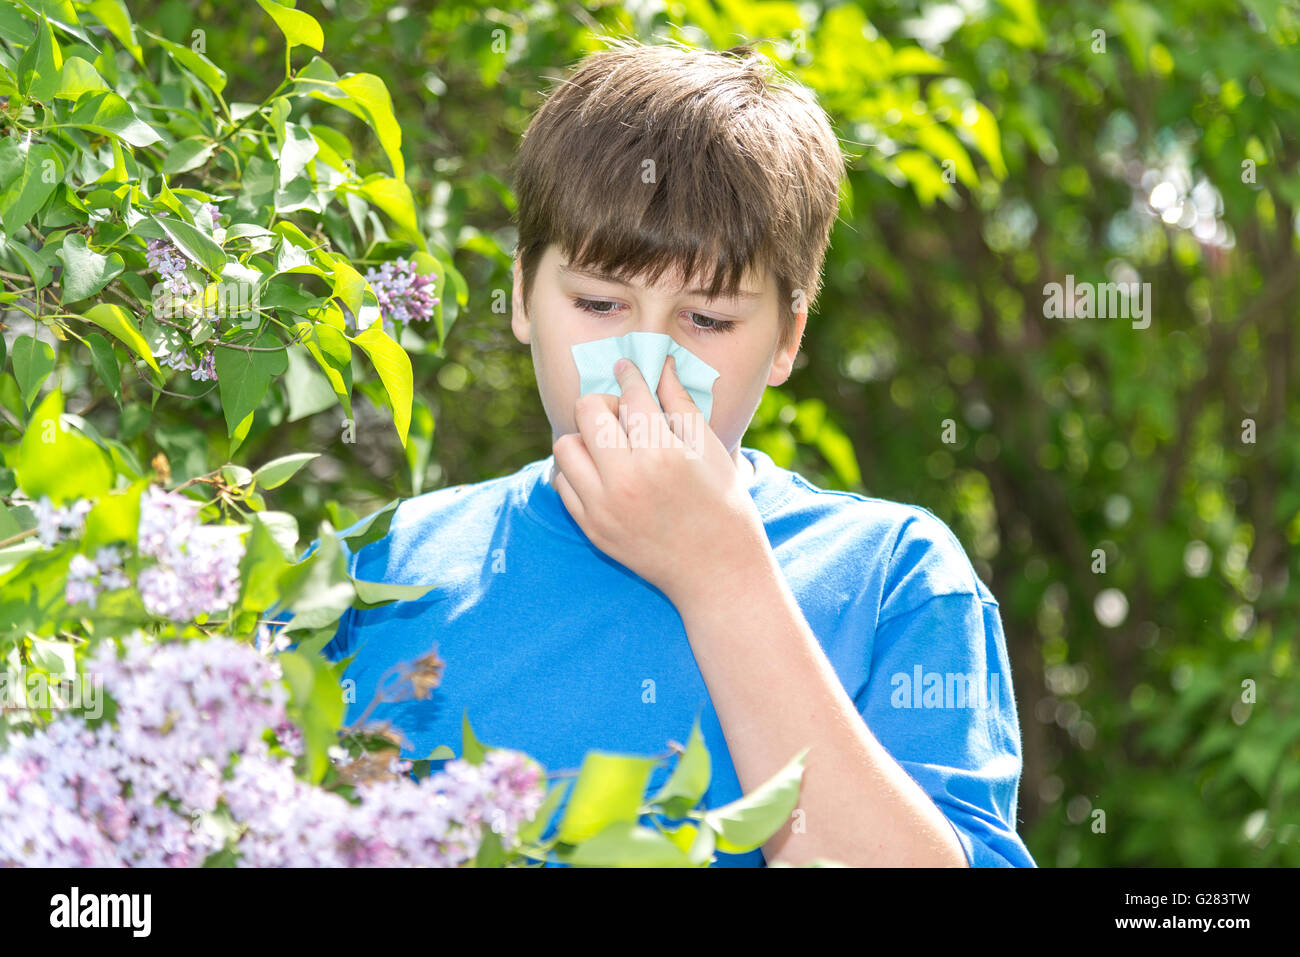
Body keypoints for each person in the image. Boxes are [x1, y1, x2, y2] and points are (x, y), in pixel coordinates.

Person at [320, 37, 1036, 867]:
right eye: (598, 301)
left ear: (786, 338)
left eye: (707, 320)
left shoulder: (894, 577)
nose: (640, 362)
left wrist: (722, 578)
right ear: (521, 295)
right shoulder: (372, 574)